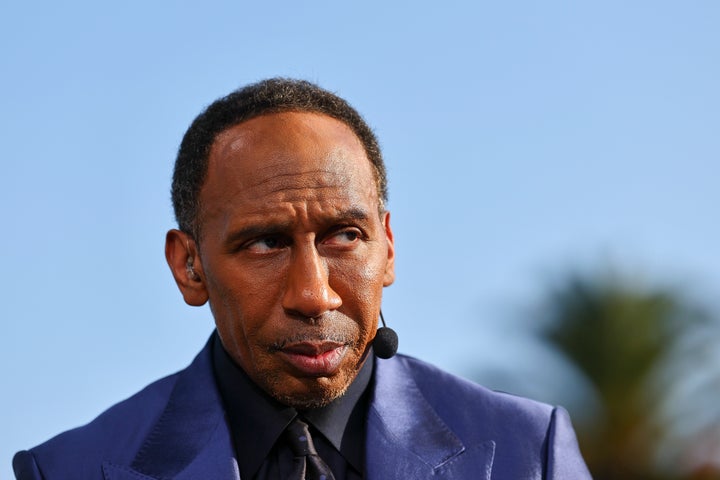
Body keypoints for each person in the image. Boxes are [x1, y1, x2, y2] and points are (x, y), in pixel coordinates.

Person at [13, 78, 591, 479]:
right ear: (189, 267)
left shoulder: (527, 452)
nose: (314, 295)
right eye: (265, 243)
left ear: (388, 248)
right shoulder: (65, 471)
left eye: (345, 236)